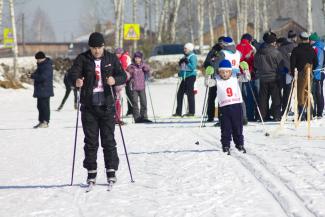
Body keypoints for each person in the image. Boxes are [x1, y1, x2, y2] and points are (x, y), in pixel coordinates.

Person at [67, 32, 127, 185]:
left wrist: (115, 80)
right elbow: (71, 75)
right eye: (93, 48)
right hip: (89, 107)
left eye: (99, 48)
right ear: (90, 48)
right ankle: (91, 172)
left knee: (108, 141)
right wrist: (76, 81)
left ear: (103, 46)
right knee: (91, 142)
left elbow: (123, 75)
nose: (96, 51)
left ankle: (111, 171)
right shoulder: (83, 59)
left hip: (107, 106)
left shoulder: (111, 58)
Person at [215, 59, 245, 154]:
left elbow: (246, 78)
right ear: (219, 72)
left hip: (236, 106)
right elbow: (208, 83)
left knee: (238, 127)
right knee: (225, 127)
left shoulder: (235, 77)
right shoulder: (217, 80)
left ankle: (239, 144)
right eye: (222, 72)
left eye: (227, 72)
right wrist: (208, 75)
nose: (224, 74)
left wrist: (245, 70)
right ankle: (226, 145)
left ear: (230, 72)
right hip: (224, 107)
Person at [254, 32, 283, 121]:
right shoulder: (276, 52)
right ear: (273, 42)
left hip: (262, 78)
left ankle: (262, 116)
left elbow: (255, 64)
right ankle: (276, 115)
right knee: (276, 98)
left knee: (263, 98)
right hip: (274, 77)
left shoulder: (259, 52)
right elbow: (281, 65)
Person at [290, 32, 318, 120]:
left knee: (300, 93)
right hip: (310, 74)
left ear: (300, 39)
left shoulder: (296, 50)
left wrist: (293, 74)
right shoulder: (312, 50)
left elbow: (292, 64)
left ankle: (301, 114)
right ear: (308, 39)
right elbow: (316, 63)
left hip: (300, 74)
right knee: (307, 92)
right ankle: (309, 113)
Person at [126, 51, 152, 123]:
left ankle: (144, 117)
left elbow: (148, 70)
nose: (137, 60)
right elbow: (127, 74)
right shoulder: (131, 66)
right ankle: (137, 118)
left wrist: (146, 68)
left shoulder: (143, 66)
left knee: (144, 102)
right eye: (136, 58)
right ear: (134, 58)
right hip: (134, 88)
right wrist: (129, 73)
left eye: (139, 58)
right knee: (135, 103)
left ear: (141, 59)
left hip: (142, 87)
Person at [173, 43, 198, 117]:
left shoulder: (192, 56)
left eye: (185, 49)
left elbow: (192, 67)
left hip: (191, 77)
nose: (184, 50)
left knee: (190, 94)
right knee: (179, 94)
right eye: (184, 48)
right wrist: (180, 73)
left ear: (190, 49)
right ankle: (178, 112)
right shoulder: (185, 56)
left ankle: (191, 112)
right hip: (184, 77)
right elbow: (183, 68)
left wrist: (187, 62)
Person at [203, 36, 224, 122]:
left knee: (221, 97)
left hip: (223, 78)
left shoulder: (226, 51)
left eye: (223, 43)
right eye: (220, 43)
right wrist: (211, 63)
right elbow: (206, 63)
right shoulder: (213, 51)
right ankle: (210, 116)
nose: (222, 45)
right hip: (213, 77)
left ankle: (221, 116)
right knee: (211, 97)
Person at [30, 51, 54, 128]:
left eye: (38, 59)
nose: (37, 61)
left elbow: (43, 77)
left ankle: (45, 121)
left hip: (45, 89)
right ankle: (41, 121)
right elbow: (38, 74)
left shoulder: (47, 66)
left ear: (42, 58)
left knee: (45, 106)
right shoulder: (41, 65)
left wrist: (33, 76)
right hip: (41, 89)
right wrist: (32, 75)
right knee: (39, 106)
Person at [277, 30, 298, 114]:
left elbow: (280, 61)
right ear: (294, 37)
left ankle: (284, 108)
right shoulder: (295, 47)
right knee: (291, 92)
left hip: (283, 72)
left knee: (284, 92)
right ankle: (288, 108)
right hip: (292, 72)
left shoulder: (280, 48)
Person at [309, 32, 324, 118]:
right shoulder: (320, 45)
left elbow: (319, 62)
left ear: (313, 40)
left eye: (310, 40)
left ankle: (319, 112)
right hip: (319, 72)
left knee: (317, 93)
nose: (309, 42)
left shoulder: (317, 47)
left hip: (317, 73)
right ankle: (317, 111)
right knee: (317, 93)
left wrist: (314, 72)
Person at [115, 48, 133, 116]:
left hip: (127, 77)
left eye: (118, 53)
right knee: (126, 93)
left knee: (129, 93)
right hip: (124, 76)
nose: (117, 55)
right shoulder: (121, 57)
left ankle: (132, 110)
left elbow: (124, 67)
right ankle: (130, 110)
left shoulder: (124, 57)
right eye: (116, 53)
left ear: (121, 53)